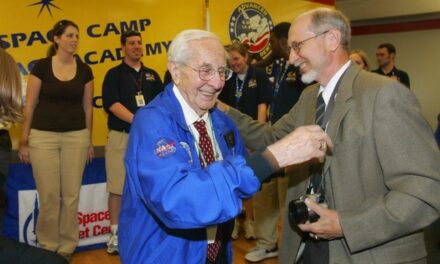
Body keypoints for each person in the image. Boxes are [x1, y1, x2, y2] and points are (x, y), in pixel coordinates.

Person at [220, 8, 440, 263]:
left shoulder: (384, 95)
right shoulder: (308, 98)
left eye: (298, 46)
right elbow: (272, 138)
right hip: (307, 250)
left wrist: (347, 224)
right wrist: (222, 110)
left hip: (366, 253)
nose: (291, 57)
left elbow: (426, 189)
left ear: (332, 40)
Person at [118, 29, 332, 264]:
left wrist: (287, 161)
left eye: (222, 71)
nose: (218, 82)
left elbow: (242, 182)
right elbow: (180, 201)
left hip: (217, 252)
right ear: (176, 71)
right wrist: (274, 157)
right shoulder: (152, 124)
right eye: (206, 70)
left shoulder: (222, 123)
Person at [18, 19, 94, 261]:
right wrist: (24, 140)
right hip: (43, 138)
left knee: (71, 195)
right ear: (56, 39)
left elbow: (88, 109)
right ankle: (47, 245)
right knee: (49, 195)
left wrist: (89, 140)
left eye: (76, 36)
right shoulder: (41, 67)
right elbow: (29, 105)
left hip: (77, 137)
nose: (74, 40)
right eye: (69, 35)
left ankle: (68, 246)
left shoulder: (85, 70)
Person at [243, 22, 308, 263]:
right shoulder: (277, 66)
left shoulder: (302, 67)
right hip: (271, 138)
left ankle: (290, 247)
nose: (269, 47)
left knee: (285, 198)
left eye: (272, 42)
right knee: (264, 193)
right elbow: (261, 63)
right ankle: (266, 243)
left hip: (290, 142)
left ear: (283, 41)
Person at [102, 29, 163, 254]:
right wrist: (138, 120)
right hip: (122, 137)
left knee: (149, 186)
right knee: (118, 187)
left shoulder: (152, 75)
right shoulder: (114, 74)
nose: (137, 46)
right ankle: (115, 234)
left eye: (139, 42)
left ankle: (148, 232)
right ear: (123, 48)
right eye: (131, 43)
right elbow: (111, 104)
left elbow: (161, 105)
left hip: (149, 140)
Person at [219, 42, 272, 240]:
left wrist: (256, 139)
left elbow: (262, 106)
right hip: (231, 134)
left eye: (237, 59)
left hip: (251, 133)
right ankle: (233, 222)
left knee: (249, 177)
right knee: (231, 176)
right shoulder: (227, 78)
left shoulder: (258, 75)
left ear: (246, 57)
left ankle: (249, 221)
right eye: (230, 60)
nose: (234, 63)